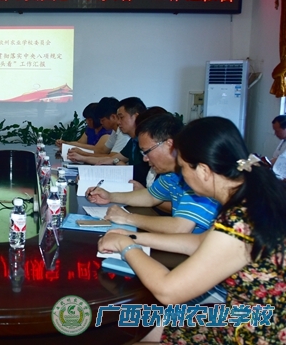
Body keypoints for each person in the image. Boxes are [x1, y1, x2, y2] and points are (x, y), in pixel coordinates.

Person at [98, 117, 286, 344]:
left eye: (184, 168)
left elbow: (168, 290)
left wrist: (126, 246)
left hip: (255, 331)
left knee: (152, 324)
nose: (182, 176)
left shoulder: (240, 219)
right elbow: (198, 242)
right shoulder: (251, 198)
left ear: (204, 170)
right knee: (158, 326)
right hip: (255, 316)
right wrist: (133, 236)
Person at [87, 113, 220, 234]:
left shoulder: (196, 177)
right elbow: (150, 196)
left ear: (169, 144)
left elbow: (180, 227)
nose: (145, 158)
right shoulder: (171, 174)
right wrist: (110, 196)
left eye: (146, 151)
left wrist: (128, 218)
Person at [68, 97, 146, 171]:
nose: (118, 122)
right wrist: (82, 157)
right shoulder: (132, 141)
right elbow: (111, 158)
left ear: (136, 117)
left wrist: (83, 154)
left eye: (121, 117)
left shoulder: (140, 140)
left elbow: (112, 158)